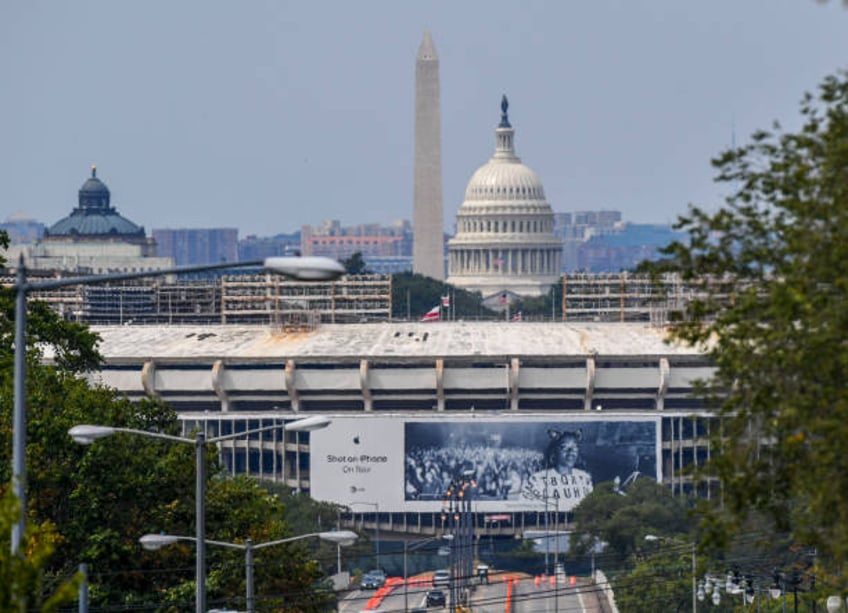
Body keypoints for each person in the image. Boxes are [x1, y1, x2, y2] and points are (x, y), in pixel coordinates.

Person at [520, 428, 593, 511]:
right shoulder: (538, 479)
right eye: (564, 448)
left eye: (575, 448)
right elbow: (525, 506)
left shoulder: (584, 478)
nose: (570, 452)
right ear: (554, 452)